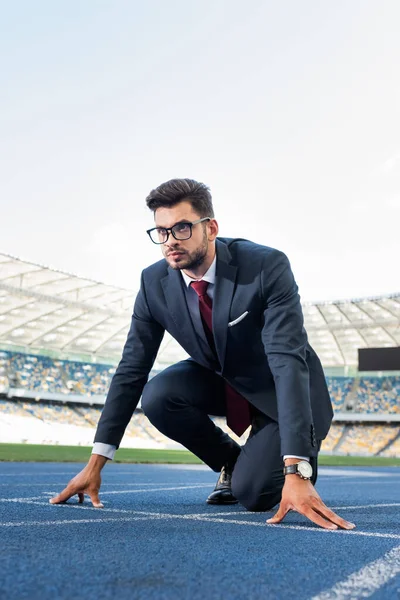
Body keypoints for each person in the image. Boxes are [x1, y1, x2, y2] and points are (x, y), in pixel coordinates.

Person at [51, 178, 355, 531]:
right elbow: (131, 368)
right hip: (228, 384)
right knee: (158, 395)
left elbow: (286, 360)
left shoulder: (265, 266)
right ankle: (231, 461)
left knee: (253, 495)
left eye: (181, 228)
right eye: (161, 231)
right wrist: (96, 463)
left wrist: (296, 470)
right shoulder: (153, 284)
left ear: (210, 228)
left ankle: (284, 462)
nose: (170, 241)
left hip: (282, 391)